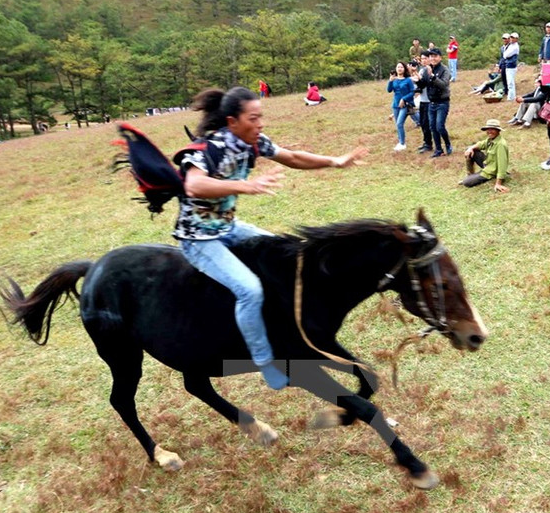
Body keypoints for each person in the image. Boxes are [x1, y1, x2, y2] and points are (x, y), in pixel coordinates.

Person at [175, 87, 367, 390]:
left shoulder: (252, 142)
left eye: (261, 116)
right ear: (232, 121)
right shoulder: (208, 149)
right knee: (249, 290)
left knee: (290, 254)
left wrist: (335, 161)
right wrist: (245, 186)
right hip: (199, 239)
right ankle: (266, 361)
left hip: (229, 227)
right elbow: (194, 187)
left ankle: (290, 328)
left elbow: (291, 157)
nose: (261, 124)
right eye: (254, 118)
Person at [460, 119, 510, 192]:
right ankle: (470, 175)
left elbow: (502, 164)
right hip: (488, 164)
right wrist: (470, 148)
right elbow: (481, 144)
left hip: (492, 170)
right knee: (470, 150)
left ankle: (490, 176)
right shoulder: (490, 139)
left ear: (498, 131)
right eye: (488, 129)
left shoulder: (501, 145)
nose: (489, 131)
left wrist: (498, 183)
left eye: (492, 129)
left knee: (466, 183)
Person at [422, 48, 453, 157]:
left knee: (439, 126)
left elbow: (444, 84)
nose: (433, 58)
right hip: (432, 102)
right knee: (433, 127)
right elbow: (423, 84)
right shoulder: (428, 69)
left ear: (440, 57)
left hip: (442, 102)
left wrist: (433, 76)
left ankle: (448, 144)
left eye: (435, 56)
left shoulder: (445, 70)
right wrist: (416, 78)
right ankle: (438, 149)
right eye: (431, 56)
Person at [387, 61, 416, 151]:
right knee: (398, 125)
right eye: (398, 67)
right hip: (395, 105)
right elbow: (389, 90)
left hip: (405, 105)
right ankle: (400, 142)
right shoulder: (394, 80)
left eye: (401, 67)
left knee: (400, 123)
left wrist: (404, 99)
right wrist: (390, 81)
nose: (399, 69)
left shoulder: (408, 80)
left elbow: (412, 92)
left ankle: (402, 143)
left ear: (404, 69)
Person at [415, 52, 434, 153]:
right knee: (423, 123)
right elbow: (420, 86)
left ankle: (429, 144)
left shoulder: (429, 70)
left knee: (427, 123)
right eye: (422, 59)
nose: (423, 60)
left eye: (425, 58)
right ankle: (426, 142)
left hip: (429, 101)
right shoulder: (422, 70)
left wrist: (418, 80)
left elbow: (424, 83)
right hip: (422, 99)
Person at [504, 32, 520, 101]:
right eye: (511, 37)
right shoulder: (510, 45)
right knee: (509, 82)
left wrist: (505, 54)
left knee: (510, 82)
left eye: (513, 38)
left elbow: (506, 55)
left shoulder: (515, 47)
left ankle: (512, 97)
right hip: (509, 65)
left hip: (511, 66)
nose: (511, 39)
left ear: (516, 39)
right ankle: (510, 96)